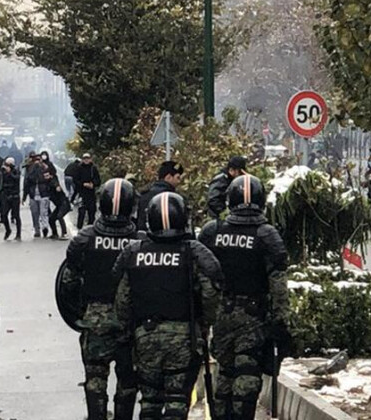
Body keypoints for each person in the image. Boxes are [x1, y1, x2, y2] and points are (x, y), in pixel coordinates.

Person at [113, 192, 223, 419]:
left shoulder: (134, 252)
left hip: (146, 337)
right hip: (184, 338)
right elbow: (210, 294)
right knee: (177, 401)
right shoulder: (194, 252)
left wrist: (128, 332)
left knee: (150, 401)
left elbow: (122, 300)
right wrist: (205, 325)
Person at [199, 175, 289, 420]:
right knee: (247, 373)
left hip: (221, 314)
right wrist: (281, 322)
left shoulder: (213, 231)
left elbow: (200, 277)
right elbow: (278, 284)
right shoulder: (266, 235)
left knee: (225, 372)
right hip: (253, 316)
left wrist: (202, 317)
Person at [62, 179, 141, 420]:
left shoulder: (84, 239)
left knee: (95, 377)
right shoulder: (141, 242)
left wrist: (80, 314)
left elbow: (68, 283)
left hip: (95, 318)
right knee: (128, 379)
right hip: (131, 321)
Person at [136, 161, 184, 232]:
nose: (179, 181)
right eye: (178, 178)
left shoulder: (144, 194)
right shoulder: (173, 199)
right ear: (168, 177)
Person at [24, 155, 50, 238]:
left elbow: (49, 179)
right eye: (36, 160)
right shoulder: (30, 170)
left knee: (44, 213)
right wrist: (24, 195)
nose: (37, 162)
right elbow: (27, 182)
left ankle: (45, 227)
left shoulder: (46, 168)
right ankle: (37, 230)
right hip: (33, 194)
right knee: (35, 214)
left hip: (44, 194)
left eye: (39, 160)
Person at [74, 153, 101, 229]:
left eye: (88, 158)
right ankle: (79, 229)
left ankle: (91, 229)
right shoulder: (79, 168)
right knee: (81, 212)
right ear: (82, 160)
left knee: (92, 212)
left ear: (90, 159)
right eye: (84, 158)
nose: (86, 160)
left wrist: (93, 184)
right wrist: (83, 184)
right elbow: (75, 180)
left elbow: (98, 180)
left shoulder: (93, 168)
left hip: (91, 194)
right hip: (82, 193)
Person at [0, 158, 22, 240]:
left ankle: (18, 234)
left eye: (8, 165)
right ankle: (8, 230)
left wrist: (9, 173)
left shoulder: (16, 171)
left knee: (16, 215)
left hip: (15, 196)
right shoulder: (4, 172)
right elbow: (2, 182)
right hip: (6, 195)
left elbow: (16, 179)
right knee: (4, 214)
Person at [46, 168, 70, 239]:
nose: (46, 177)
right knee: (51, 218)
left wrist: (57, 186)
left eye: (47, 176)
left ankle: (64, 233)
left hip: (64, 203)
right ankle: (55, 234)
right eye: (45, 176)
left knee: (60, 216)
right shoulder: (46, 184)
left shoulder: (53, 181)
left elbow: (55, 183)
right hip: (59, 205)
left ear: (50, 175)